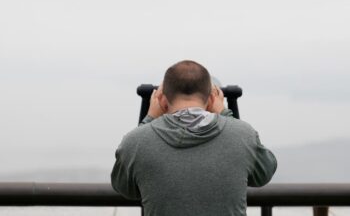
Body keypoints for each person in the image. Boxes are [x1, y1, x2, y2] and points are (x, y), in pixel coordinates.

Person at [111, 60, 277, 216]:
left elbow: (124, 187)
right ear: (212, 98)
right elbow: (263, 174)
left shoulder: (136, 142)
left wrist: (149, 120)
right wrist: (226, 115)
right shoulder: (243, 135)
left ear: (162, 98)